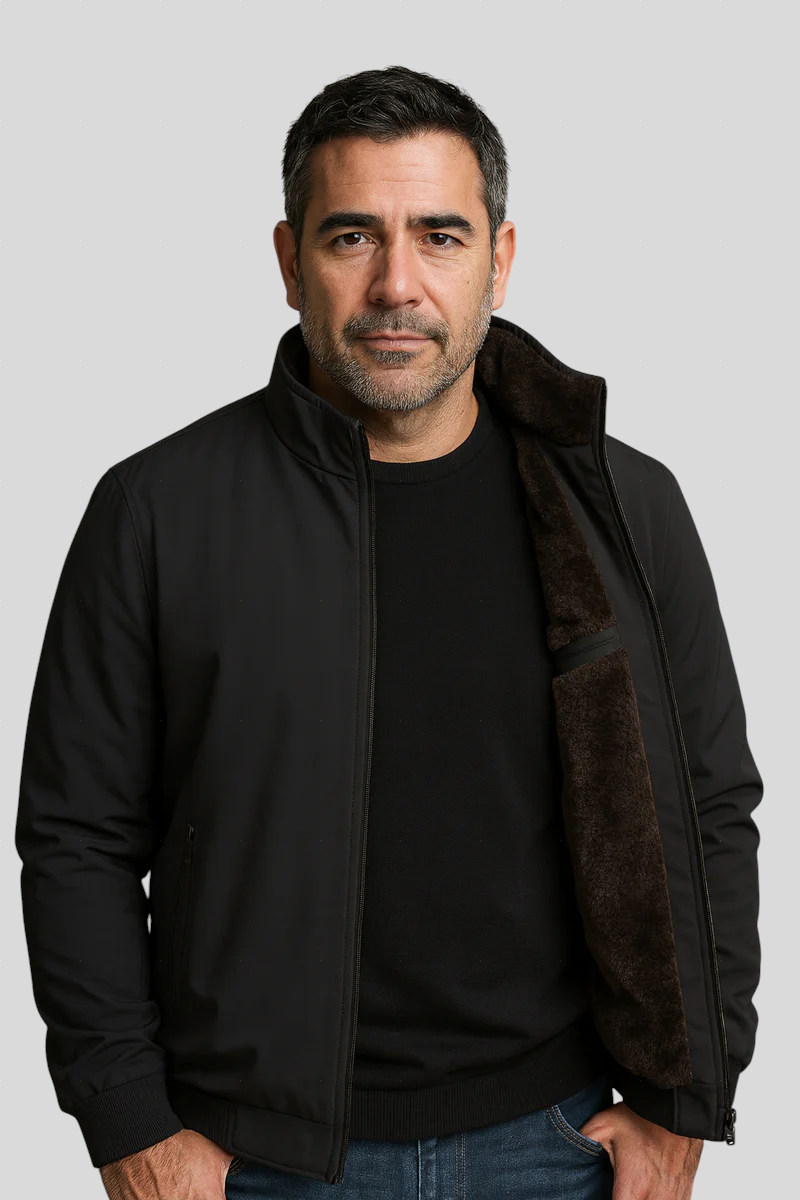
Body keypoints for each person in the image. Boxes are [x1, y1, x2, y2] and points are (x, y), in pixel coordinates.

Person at [15, 65, 762, 1200]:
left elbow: (708, 806)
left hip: (556, 1148)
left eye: (440, 237)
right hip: (252, 1161)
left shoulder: (620, 506)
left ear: (499, 261)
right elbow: (77, 835)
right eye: (352, 235)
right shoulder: (157, 511)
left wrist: (685, 1100)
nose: (395, 284)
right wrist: (128, 1124)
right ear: (288, 261)